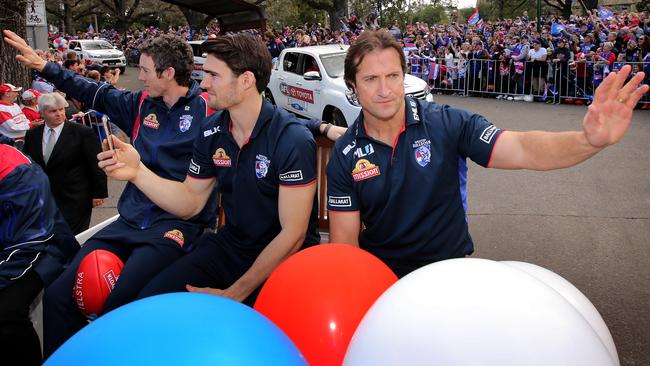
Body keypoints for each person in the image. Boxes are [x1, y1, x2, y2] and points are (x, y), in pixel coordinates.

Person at [326, 30, 648, 278]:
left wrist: (589, 140)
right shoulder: (345, 154)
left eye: (393, 76)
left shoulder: (448, 122)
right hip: (384, 278)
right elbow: (345, 246)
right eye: (371, 79)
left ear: (404, 77)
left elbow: (522, 148)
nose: (385, 90)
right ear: (353, 85)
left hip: (449, 271)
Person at [3, 29, 218, 356]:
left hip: (174, 225)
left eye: (145, 70)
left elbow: (259, 123)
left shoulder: (208, 110)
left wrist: (321, 128)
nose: (139, 76)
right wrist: (46, 68)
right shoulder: (142, 103)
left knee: (118, 301)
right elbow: (93, 91)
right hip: (129, 221)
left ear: (168, 73)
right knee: (59, 295)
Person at [98, 33, 319, 306]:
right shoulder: (212, 129)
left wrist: (234, 294)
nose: (202, 83)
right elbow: (191, 201)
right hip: (231, 247)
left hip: (287, 261)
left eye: (214, 75)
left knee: (242, 330)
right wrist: (137, 172)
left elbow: (293, 234)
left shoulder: (291, 138)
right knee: (147, 306)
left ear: (247, 80)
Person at [0, 144, 79, 366]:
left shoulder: (15, 170)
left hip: (43, 250)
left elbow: (29, 243)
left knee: (5, 312)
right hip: (13, 245)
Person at [22, 93, 108, 234]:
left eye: (61, 109)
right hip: (44, 197)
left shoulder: (82, 133)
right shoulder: (33, 135)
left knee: (73, 237)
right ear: (42, 113)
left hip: (76, 197)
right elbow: (29, 165)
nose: (59, 114)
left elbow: (95, 164)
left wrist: (98, 193)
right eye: (53, 111)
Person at [0, 83, 31, 147]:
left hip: (24, 138)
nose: (17, 94)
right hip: (12, 142)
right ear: (7, 94)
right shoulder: (1, 109)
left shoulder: (15, 105)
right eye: (15, 92)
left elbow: (24, 119)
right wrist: (30, 125)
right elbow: (12, 127)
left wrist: (29, 124)